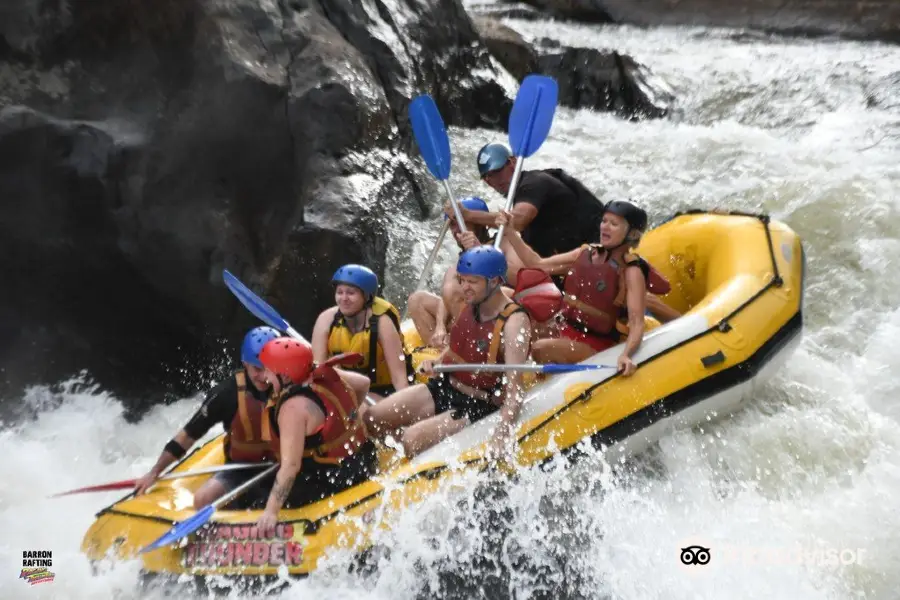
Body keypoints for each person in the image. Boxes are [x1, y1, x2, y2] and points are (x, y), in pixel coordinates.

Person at [363, 246, 532, 459]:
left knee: (412, 440)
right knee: (372, 418)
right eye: (462, 280)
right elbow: (458, 348)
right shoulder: (474, 303)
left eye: (473, 282)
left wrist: (503, 432)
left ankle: (421, 446)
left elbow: (515, 389)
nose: (464, 288)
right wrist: (437, 360)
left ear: (495, 282)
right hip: (445, 386)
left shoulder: (514, 322)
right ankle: (413, 450)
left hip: (478, 404)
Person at [497, 200, 659, 375]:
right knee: (510, 331)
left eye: (614, 224)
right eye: (604, 221)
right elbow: (537, 263)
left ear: (632, 234)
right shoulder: (584, 254)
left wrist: (626, 355)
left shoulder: (631, 271)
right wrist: (511, 232)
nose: (605, 227)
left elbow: (636, 322)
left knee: (540, 348)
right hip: (568, 329)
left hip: (600, 343)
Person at [132, 326, 281, 508]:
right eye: (257, 369)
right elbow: (188, 435)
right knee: (202, 498)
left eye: (269, 369)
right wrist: (154, 472)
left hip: (284, 465)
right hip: (242, 469)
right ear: (245, 363)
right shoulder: (227, 393)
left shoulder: (290, 384)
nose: (264, 376)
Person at [255, 337, 377, 530]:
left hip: (337, 476)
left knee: (258, 495)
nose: (264, 377)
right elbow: (363, 383)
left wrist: (270, 512)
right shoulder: (326, 374)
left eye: (268, 371)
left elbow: (291, 467)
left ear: (285, 376)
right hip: (364, 457)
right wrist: (347, 420)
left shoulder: (292, 408)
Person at [451, 143, 606, 259]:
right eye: (488, 177)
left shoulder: (534, 183)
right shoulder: (521, 194)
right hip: (570, 257)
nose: (495, 181)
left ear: (512, 163)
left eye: (498, 171)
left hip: (598, 253)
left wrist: (468, 214)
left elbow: (516, 222)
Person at [311, 264, 411, 400]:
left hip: (385, 390)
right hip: (349, 387)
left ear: (367, 297)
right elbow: (318, 369)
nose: (344, 298)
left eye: (351, 293)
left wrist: (404, 406)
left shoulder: (382, 323)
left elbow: (399, 379)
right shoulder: (326, 320)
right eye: (340, 292)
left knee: (361, 408)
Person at [407, 196, 493, 348]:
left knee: (453, 278)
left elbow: (501, 284)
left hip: (490, 315)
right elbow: (446, 297)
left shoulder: (500, 245)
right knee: (417, 299)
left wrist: (477, 249)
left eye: (460, 222)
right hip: (466, 313)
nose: (455, 230)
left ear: (479, 223)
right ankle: (440, 352)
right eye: (452, 225)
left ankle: (470, 351)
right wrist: (440, 326)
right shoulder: (461, 259)